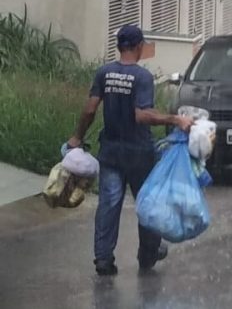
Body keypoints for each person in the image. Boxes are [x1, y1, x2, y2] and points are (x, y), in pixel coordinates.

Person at [67, 25, 193, 276]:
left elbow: (90, 109)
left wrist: (77, 137)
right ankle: (148, 253)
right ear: (138, 47)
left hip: (111, 151)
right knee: (147, 203)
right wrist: (175, 120)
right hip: (139, 153)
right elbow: (142, 115)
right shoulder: (142, 77)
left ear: (119, 46)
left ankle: (103, 259)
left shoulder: (104, 72)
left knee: (109, 204)